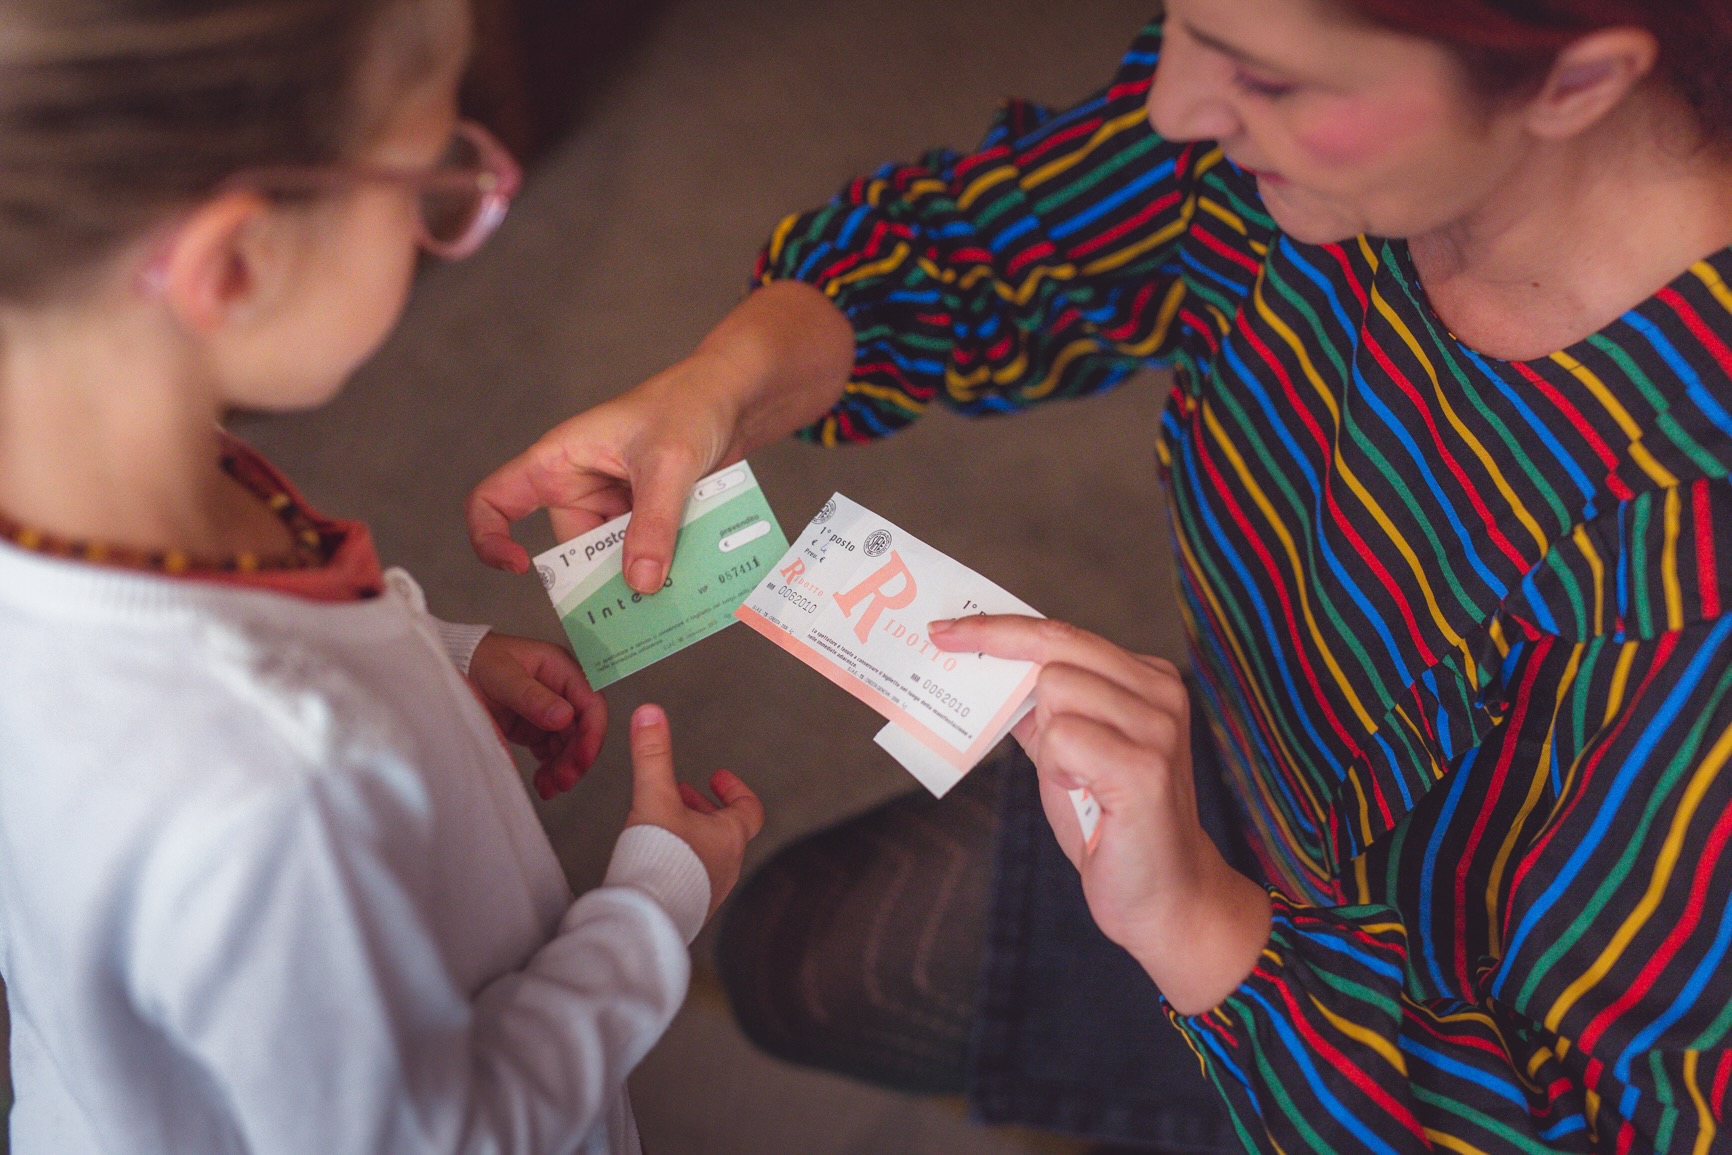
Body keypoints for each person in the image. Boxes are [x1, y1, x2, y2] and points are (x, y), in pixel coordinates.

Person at [470, 0, 1732, 1150]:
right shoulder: (1269, 150)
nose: (1179, 103)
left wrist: (1198, 929)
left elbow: (1598, 1126)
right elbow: (1007, 238)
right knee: (797, 958)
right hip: (1262, 765)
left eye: (1266, 79)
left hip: (1425, 1019)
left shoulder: (1687, 567)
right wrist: (724, 385)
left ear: (1574, 81)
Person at [0, 1, 766, 1152]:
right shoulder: (266, 793)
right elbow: (453, 1133)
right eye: (432, 170)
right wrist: (653, 908)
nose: (455, 200)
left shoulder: (91, 478)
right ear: (238, 263)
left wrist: (436, 662)